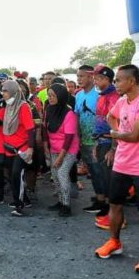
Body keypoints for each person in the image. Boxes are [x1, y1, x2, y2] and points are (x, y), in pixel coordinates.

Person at [93, 65, 139, 275]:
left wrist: (114, 135)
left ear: (131, 82)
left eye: (119, 80)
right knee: (115, 205)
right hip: (122, 162)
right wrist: (116, 131)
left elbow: (134, 136)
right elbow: (111, 117)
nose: (116, 84)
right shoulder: (122, 101)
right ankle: (114, 242)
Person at [0, 80, 36, 216]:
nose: (3, 93)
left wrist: (30, 148)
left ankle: (18, 205)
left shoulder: (22, 107)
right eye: (2, 90)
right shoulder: (8, 106)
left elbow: (31, 129)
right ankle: (23, 199)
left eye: (6, 91)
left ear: (13, 91)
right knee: (12, 176)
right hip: (9, 148)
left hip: (22, 148)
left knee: (16, 174)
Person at [75, 65, 108, 215]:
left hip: (99, 141)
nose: (79, 79)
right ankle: (99, 198)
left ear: (90, 77)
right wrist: (78, 135)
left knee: (100, 171)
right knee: (93, 172)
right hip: (85, 139)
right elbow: (77, 115)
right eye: (78, 76)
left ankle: (104, 203)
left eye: (82, 76)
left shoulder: (100, 95)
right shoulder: (79, 95)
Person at [93, 65, 121, 226]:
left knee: (111, 179)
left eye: (98, 78)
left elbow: (117, 124)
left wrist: (113, 148)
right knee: (105, 177)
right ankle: (111, 213)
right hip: (101, 140)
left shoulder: (114, 97)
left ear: (106, 79)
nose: (95, 80)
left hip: (110, 141)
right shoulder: (103, 95)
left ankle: (116, 217)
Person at [45, 83, 79, 217]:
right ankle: (60, 201)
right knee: (54, 174)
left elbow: (69, 137)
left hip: (68, 149)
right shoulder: (49, 109)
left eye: (53, 95)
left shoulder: (69, 113)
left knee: (62, 173)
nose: (51, 98)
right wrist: (46, 148)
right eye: (49, 95)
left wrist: (60, 157)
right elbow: (45, 129)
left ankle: (66, 205)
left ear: (61, 96)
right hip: (54, 147)